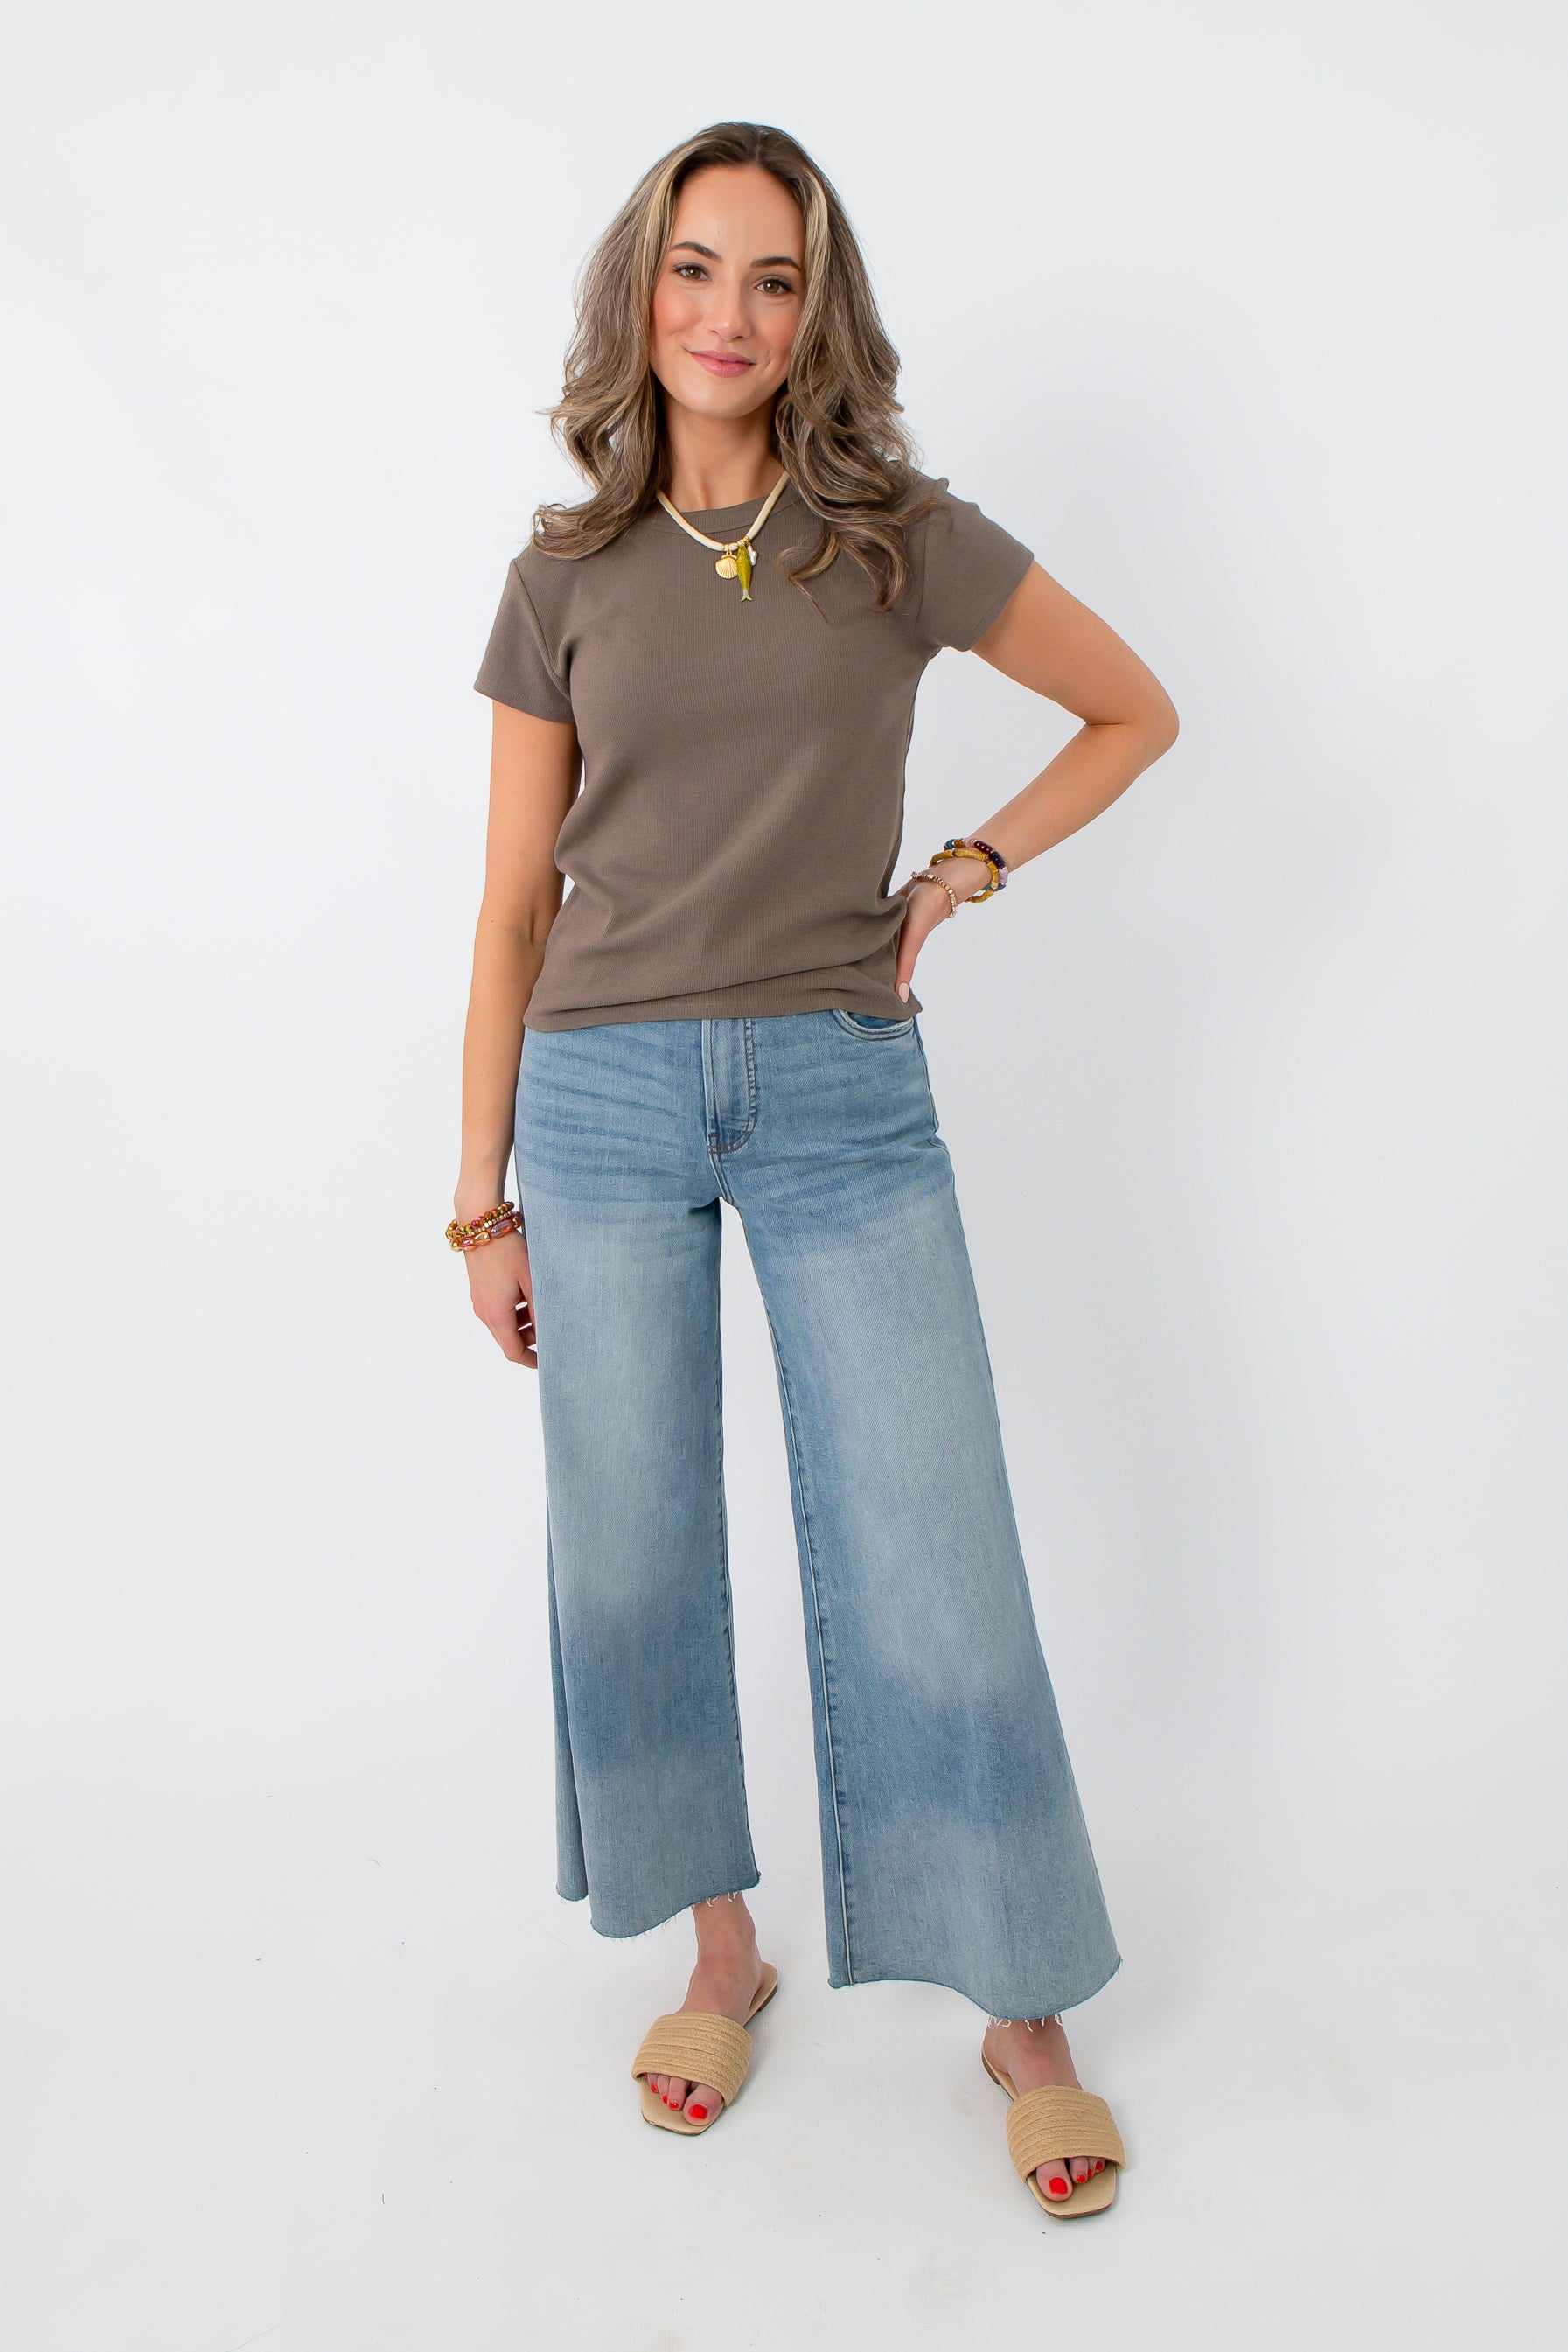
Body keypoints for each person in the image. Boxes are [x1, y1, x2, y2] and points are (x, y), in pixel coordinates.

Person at [454, 120, 1178, 2217]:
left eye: (773, 279)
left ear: (816, 309)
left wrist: (965, 866)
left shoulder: (896, 538)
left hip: (843, 1086)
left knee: (933, 1549)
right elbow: (508, 913)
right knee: (627, 1551)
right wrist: (477, 1196)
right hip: (593, 1105)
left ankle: (1022, 2003)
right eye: (695, 271)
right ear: (640, 294)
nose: (729, 316)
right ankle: (720, 1947)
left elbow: (1130, 710)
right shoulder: (559, 578)